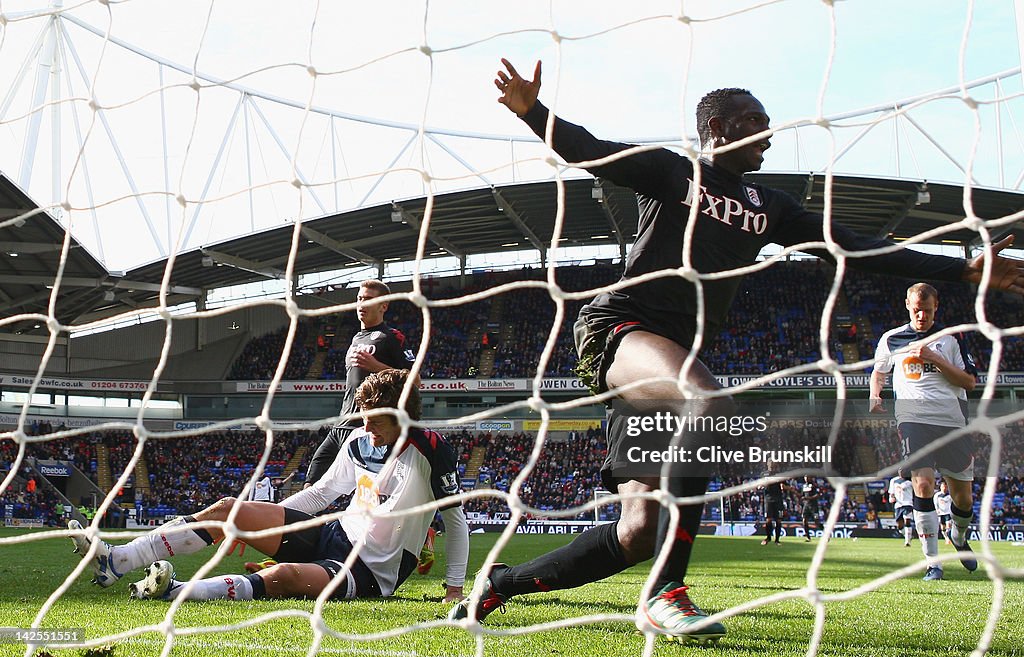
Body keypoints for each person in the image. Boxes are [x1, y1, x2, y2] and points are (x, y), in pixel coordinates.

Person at [448, 57, 1024, 641]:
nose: (769, 134)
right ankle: (665, 595)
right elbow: (590, 149)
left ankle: (501, 583)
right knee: (710, 402)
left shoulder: (769, 207)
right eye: (756, 121)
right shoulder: (674, 175)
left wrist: (964, 272)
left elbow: (857, 247)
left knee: (638, 530)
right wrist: (533, 112)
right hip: (618, 331)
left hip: (668, 361)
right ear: (718, 130)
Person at [69, 369, 469, 604]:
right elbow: (321, 494)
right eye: (363, 417)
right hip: (334, 533)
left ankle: (175, 591)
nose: (365, 427)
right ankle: (118, 560)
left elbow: (457, 521)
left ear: (402, 415)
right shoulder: (358, 441)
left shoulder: (431, 450)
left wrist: (453, 590)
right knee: (230, 509)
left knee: (287, 576)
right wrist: (278, 524)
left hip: (371, 569)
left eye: (374, 420)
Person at [871, 283, 980, 581]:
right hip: (912, 419)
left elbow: (969, 382)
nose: (921, 316)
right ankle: (933, 563)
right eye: (917, 310)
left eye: (927, 310)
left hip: (952, 421)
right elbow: (879, 370)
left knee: (963, 500)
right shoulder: (892, 339)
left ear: (936, 307)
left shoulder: (952, 337)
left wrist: (934, 358)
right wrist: (875, 393)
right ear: (907, 305)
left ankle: (958, 538)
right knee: (923, 485)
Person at [305, 279, 417, 488]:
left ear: (384, 305)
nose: (361, 304)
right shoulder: (356, 338)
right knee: (311, 482)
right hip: (341, 424)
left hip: (366, 428)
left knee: (367, 492)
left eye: (368, 299)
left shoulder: (391, 337)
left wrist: (376, 366)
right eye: (359, 299)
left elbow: (415, 380)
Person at [887, 468, 915, 547]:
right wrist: (891, 498)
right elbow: (891, 493)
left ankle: (907, 541)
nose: (901, 472)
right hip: (898, 505)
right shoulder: (894, 481)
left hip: (908, 503)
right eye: (900, 471)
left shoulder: (910, 481)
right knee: (899, 526)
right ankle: (908, 536)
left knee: (907, 521)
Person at [800, 476, 823, 542]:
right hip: (806, 506)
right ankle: (808, 537)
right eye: (805, 477)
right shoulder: (804, 486)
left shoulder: (814, 485)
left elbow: (818, 495)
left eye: (807, 477)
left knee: (817, 521)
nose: (806, 478)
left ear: (811, 478)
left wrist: (809, 498)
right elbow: (802, 495)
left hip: (813, 506)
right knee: (804, 520)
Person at [934, 480, 953, 545]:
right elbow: (935, 504)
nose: (944, 488)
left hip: (948, 513)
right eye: (943, 487)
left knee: (948, 526)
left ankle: (949, 539)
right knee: (943, 527)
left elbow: (952, 503)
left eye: (945, 487)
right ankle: (946, 538)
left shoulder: (950, 495)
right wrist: (937, 509)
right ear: (940, 487)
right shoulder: (937, 495)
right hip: (941, 513)